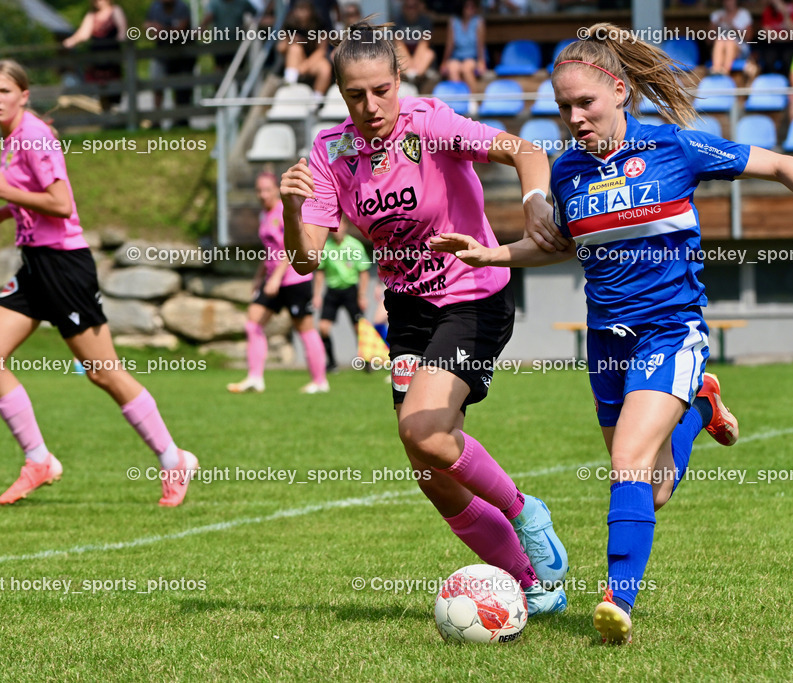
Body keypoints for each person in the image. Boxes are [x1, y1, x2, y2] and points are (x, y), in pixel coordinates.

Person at [431, 22, 793, 644]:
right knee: (655, 487)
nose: (574, 118)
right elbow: (551, 245)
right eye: (563, 108)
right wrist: (488, 254)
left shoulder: (676, 148)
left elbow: (783, 164)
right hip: (607, 344)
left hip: (671, 331)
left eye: (585, 103)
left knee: (628, 465)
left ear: (619, 91)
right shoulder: (567, 174)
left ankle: (617, 601)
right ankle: (700, 408)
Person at [279, 20, 571, 617]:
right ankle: (531, 583)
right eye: (355, 95)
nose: (370, 106)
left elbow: (526, 150)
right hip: (409, 310)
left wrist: (536, 204)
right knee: (431, 472)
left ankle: (527, 514)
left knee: (423, 429)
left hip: (472, 295)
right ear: (339, 94)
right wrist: (291, 207)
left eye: (381, 90)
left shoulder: (429, 124)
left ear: (399, 79)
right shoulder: (331, 153)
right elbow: (306, 259)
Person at [0, 59, 199, 507]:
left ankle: (173, 458)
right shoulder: (15, 137)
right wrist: (6, 213)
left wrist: (6, 194)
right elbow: (36, 201)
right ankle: (39, 460)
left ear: (24, 95)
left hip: (65, 267)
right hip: (35, 266)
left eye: (3, 91)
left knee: (103, 371)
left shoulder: (34, 135)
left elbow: (61, 203)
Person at [227, 172, 329, 394]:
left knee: (305, 329)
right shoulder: (265, 215)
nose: (263, 195)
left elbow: (289, 249)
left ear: (276, 189)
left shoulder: (284, 211)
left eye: (267, 190)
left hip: (294, 278)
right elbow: (270, 251)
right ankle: (255, 378)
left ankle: (320, 381)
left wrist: (274, 277)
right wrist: (259, 276)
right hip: (273, 279)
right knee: (252, 323)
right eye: (259, 190)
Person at [312, 220, 371, 372]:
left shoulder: (355, 245)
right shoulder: (325, 247)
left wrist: (362, 295)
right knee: (323, 328)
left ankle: (366, 361)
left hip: (351, 290)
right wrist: (317, 295)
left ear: (345, 227)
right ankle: (331, 363)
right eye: (333, 228)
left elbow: (363, 272)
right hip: (332, 291)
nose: (336, 230)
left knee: (359, 328)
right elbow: (320, 272)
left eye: (339, 227)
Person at [63, 0, 128, 112]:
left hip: (112, 58)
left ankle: (114, 118)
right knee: (100, 89)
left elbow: (122, 30)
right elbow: (83, 34)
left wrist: (122, 37)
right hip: (97, 60)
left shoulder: (115, 11)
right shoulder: (92, 15)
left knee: (114, 90)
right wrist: (71, 41)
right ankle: (106, 117)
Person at [144, 0, 197, 127]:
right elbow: (146, 25)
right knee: (157, 86)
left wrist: (161, 30)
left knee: (181, 88)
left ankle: (179, 119)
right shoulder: (155, 7)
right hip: (162, 53)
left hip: (182, 54)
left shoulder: (182, 7)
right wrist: (153, 28)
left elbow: (181, 29)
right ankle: (157, 120)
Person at [278, 0, 333, 97]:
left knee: (325, 68)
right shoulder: (289, 24)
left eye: (304, 10)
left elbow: (321, 51)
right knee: (295, 48)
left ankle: (316, 101)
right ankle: (289, 86)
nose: (301, 13)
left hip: (313, 62)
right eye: (299, 9)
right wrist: (290, 41)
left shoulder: (320, 24)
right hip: (294, 62)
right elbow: (281, 48)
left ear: (311, 11)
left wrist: (304, 67)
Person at [440, 0, 486, 93]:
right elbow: (450, 44)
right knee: (452, 68)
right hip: (456, 57)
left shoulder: (478, 21)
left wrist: (482, 61)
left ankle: (473, 102)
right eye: (467, 6)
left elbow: (480, 45)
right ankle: (458, 101)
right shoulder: (453, 21)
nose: (470, 9)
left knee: (466, 68)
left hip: (472, 58)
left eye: (472, 6)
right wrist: (444, 62)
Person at [392, 0, 435, 83]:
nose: (411, 10)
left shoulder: (425, 21)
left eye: (414, 7)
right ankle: (410, 77)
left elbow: (424, 44)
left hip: (420, 56)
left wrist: (414, 66)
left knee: (429, 54)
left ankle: (415, 78)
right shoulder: (397, 21)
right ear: (403, 8)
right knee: (397, 53)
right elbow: (399, 44)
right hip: (404, 55)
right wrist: (410, 66)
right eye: (408, 7)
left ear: (418, 8)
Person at [758, 0, 793, 73]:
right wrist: (785, 37)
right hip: (773, 44)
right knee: (768, 59)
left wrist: (784, 13)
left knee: (788, 59)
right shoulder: (768, 11)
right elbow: (766, 35)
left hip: (790, 45)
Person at [708, 0, 752, 76]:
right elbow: (708, 41)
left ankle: (725, 72)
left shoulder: (744, 14)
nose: (729, 2)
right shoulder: (717, 15)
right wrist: (716, 25)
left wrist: (732, 26)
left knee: (729, 40)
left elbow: (749, 38)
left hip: (740, 49)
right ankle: (716, 69)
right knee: (720, 40)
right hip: (721, 48)